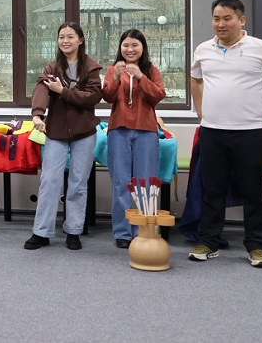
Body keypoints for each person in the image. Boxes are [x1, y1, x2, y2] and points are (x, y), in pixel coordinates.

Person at [188, 0, 262, 268]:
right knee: (213, 190)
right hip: (213, 131)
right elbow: (196, 79)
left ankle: (257, 246)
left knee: (253, 191)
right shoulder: (203, 50)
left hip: (251, 131)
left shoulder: (261, 49)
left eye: (227, 18)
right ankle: (208, 241)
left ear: (241, 20)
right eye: (216, 18)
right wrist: (201, 112)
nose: (220, 24)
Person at [25, 22, 102, 251]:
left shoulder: (91, 68)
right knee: (49, 180)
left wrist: (62, 92)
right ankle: (42, 231)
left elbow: (92, 97)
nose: (65, 41)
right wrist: (38, 115)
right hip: (56, 133)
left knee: (78, 183)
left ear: (80, 40)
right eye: (61, 37)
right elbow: (41, 89)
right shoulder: (52, 68)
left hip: (84, 133)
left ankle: (73, 231)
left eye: (70, 36)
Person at [102, 29, 166, 249]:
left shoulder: (151, 70)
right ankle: (122, 232)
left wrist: (140, 76)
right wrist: (118, 77)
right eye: (125, 45)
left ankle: (142, 230)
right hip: (118, 130)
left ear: (142, 48)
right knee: (120, 184)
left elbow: (158, 95)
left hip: (146, 131)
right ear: (120, 47)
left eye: (134, 45)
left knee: (145, 184)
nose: (129, 49)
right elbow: (108, 96)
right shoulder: (113, 69)